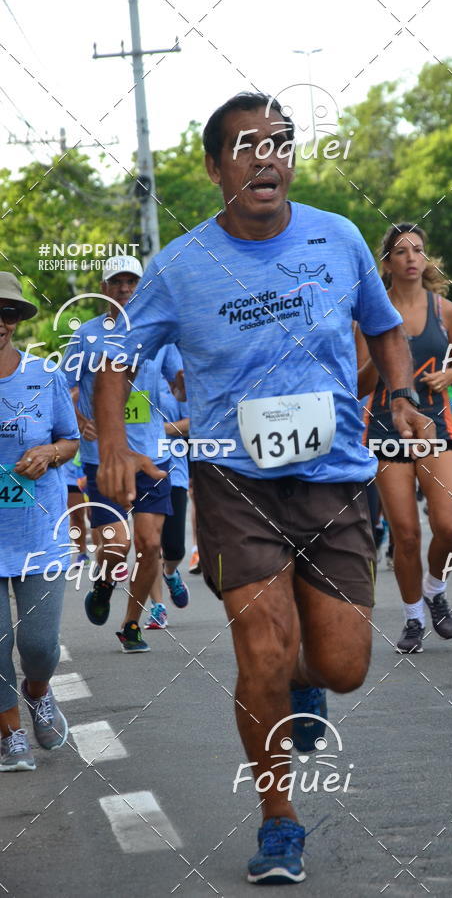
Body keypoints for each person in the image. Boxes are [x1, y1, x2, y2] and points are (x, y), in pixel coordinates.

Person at [93, 91, 425, 884]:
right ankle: (279, 817)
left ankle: (304, 686)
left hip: (335, 476)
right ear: (215, 169)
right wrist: (112, 443)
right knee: (261, 649)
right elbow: (114, 357)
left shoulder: (337, 238)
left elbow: (384, 327)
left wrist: (402, 394)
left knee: (341, 665)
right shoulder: (179, 266)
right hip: (234, 479)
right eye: (245, 146)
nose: (265, 156)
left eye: (278, 142)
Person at [61, 257, 184, 653]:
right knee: (116, 547)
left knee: (150, 545)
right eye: (117, 282)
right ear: (104, 287)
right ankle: (103, 583)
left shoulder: (160, 336)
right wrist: (79, 423)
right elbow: (61, 388)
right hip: (104, 459)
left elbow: (178, 384)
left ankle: (131, 624)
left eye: (133, 281)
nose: (126, 288)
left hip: (152, 457)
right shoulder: (87, 336)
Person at [358, 223, 452, 654]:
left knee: (449, 527)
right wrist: (386, 356)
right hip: (386, 426)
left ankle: (434, 588)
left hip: (437, 424)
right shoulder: (371, 311)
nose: (410, 258)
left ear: (426, 259)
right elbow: (361, 382)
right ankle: (412, 618)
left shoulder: (446, 310)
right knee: (405, 533)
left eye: (417, 250)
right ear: (387, 263)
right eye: (400, 251)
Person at [0, 272, 79, 771]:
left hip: (38, 534)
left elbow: (71, 438)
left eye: (7, 313)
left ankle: (38, 690)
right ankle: (10, 733)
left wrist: (50, 452)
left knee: (37, 645)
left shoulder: (42, 375)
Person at [145, 358, 190, 630]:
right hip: (144, 472)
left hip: (175, 472)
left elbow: (192, 422)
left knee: (173, 547)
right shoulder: (131, 380)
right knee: (149, 544)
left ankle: (171, 573)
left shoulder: (175, 380)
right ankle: (157, 607)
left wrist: (158, 431)